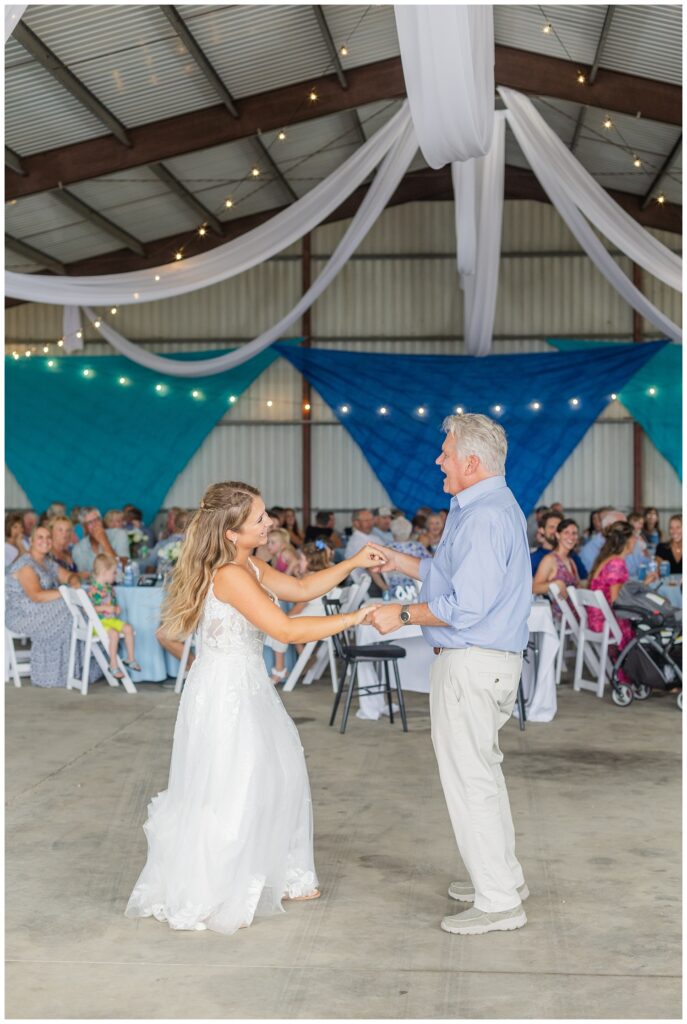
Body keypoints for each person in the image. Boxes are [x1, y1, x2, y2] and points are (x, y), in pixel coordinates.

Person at [126, 480, 384, 934]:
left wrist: (354, 561)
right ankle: (221, 883)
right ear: (231, 531)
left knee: (276, 772)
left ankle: (275, 871)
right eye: (260, 519)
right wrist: (355, 618)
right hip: (225, 689)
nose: (271, 523)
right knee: (235, 780)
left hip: (247, 684)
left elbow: (302, 588)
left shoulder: (249, 564)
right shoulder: (228, 576)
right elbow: (285, 630)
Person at [367, 413, 531, 936]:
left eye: (446, 452)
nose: (439, 459)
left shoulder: (483, 516)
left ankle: (499, 900)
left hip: (472, 661)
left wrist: (405, 615)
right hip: (484, 662)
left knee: (470, 781)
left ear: (472, 462)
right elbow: (451, 574)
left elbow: (469, 604)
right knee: (484, 773)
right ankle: (503, 878)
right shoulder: (482, 507)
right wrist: (400, 561)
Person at [5, 525, 83, 688]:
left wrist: (73, 582)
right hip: (23, 614)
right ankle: (54, 672)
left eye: (48, 537)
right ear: (31, 541)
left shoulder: (48, 562)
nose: (45, 541)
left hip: (42, 609)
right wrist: (67, 593)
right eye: (40, 537)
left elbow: (69, 576)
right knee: (68, 608)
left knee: (74, 606)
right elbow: (37, 595)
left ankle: (74, 667)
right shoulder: (26, 564)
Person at [586, 522, 637, 684]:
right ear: (627, 540)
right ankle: (633, 674)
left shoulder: (607, 559)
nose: (637, 540)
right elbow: (616, 601)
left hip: (596, 618)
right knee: (644, 625)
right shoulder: (617, 563)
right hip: (605, 622)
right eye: (635, 536)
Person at [87, 554, 140, 678]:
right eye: (113, 573)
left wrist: (116, 609)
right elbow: (89, 609)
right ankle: (113, 665)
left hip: (111, 620)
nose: (115, 576)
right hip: (99, 623)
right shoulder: (93, 589)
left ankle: (130, 659)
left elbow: (112, 604)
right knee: (114, 634)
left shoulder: (109, 588)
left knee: (128, 629)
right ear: (104, 572)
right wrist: (105, 608)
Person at [532, 518, 582, 610]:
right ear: (558, 535)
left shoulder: (571, 561)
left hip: (575, 615)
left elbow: (578, 586)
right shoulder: (550, 559)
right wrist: (555, 584)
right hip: (558, 618)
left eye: (574, 533)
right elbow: (535, 588)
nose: (571, 537)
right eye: (566, 532)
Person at [579, 510, 644, 577]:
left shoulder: (631, 543)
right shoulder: (588, 551)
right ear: (609, 527)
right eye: (622, 527)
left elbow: (643, 563)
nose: (627, 531)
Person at [531, 512, 587, 580]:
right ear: (542, 530)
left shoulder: (572, 556)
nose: (555, 531)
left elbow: (583, 579)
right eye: (552, 527)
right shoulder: (533, 558)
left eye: (559, 527)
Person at [72, 507, 130, 573]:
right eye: (90, 523)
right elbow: (83, 577)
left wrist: (105, 542)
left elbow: (125, 568)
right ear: (84, 528)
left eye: (97, 520)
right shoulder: (78, 549)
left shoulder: (119, 534)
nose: (95, 525)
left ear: (102, 521)